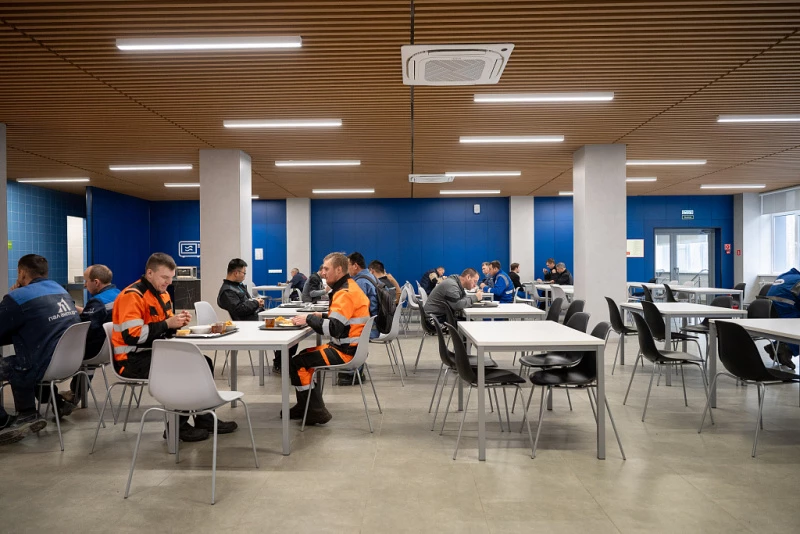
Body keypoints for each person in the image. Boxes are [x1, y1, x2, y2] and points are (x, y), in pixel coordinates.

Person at [114, 252, 237, 442]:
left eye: (171, 278)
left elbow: (162, 329)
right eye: (165, 277)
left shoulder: (162, 294)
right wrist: (167, 324)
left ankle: (204, 417)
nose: (169, 282)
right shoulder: (132, 296)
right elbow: (132, 336)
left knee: (203, 361)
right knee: (186, 368)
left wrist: (177, 324)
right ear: (149, 273)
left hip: (154, 353)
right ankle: (177, 427)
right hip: (131, 360)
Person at [0, 255, 80, 445]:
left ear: (22, 273)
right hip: (69, 363)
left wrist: (14, 297)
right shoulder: (61, 291)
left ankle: (7, 420)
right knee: (31, 354)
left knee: (20, 362)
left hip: (40, 364)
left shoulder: (18, 297)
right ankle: (41, 408)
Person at [287, 252, 370, 425]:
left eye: (326, 269)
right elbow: (343, 319)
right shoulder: (350, 287)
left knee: (297, 362)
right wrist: (321, 315)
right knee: (303, 357)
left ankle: (315, 411)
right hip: (354, 348)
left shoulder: (344, 293)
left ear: (339, 270)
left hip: (345, 352)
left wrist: (309, 319)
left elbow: (333, 328)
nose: (322, 273)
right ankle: (305, 406)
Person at [61, 264, 121, 405]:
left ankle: (70, 395)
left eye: (86, 281)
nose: (84, 285)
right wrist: (77, 309)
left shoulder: (97, 301)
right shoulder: (118, 294)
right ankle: (76, 393)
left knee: (64, 348)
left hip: (95, 350)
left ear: (96, 282)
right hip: (110, 349)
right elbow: (98, 314)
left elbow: (85, 326)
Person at [765, 268, 800, 369]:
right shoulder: (798, 281)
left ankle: (778, 346)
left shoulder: (784, 276)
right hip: (786, 314)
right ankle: (786, 347)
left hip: (770, 313)